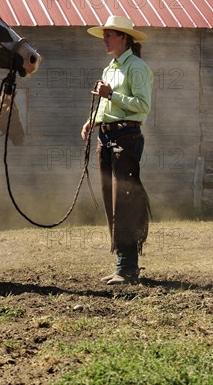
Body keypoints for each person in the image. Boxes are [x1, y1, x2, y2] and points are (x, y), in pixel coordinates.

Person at [81, 16, 153, 285]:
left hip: (126, 137)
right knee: (111, 199)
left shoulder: (137, 68)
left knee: (124, 198)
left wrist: (112, 95)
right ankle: (122, 264)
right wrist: (92, 122)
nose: (105, 39)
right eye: (105, 35)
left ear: (124, 38)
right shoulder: (109, 68)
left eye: (110, 35)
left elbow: (142, 106)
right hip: (107, 136)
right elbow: (105, 106)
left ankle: (128, 266)